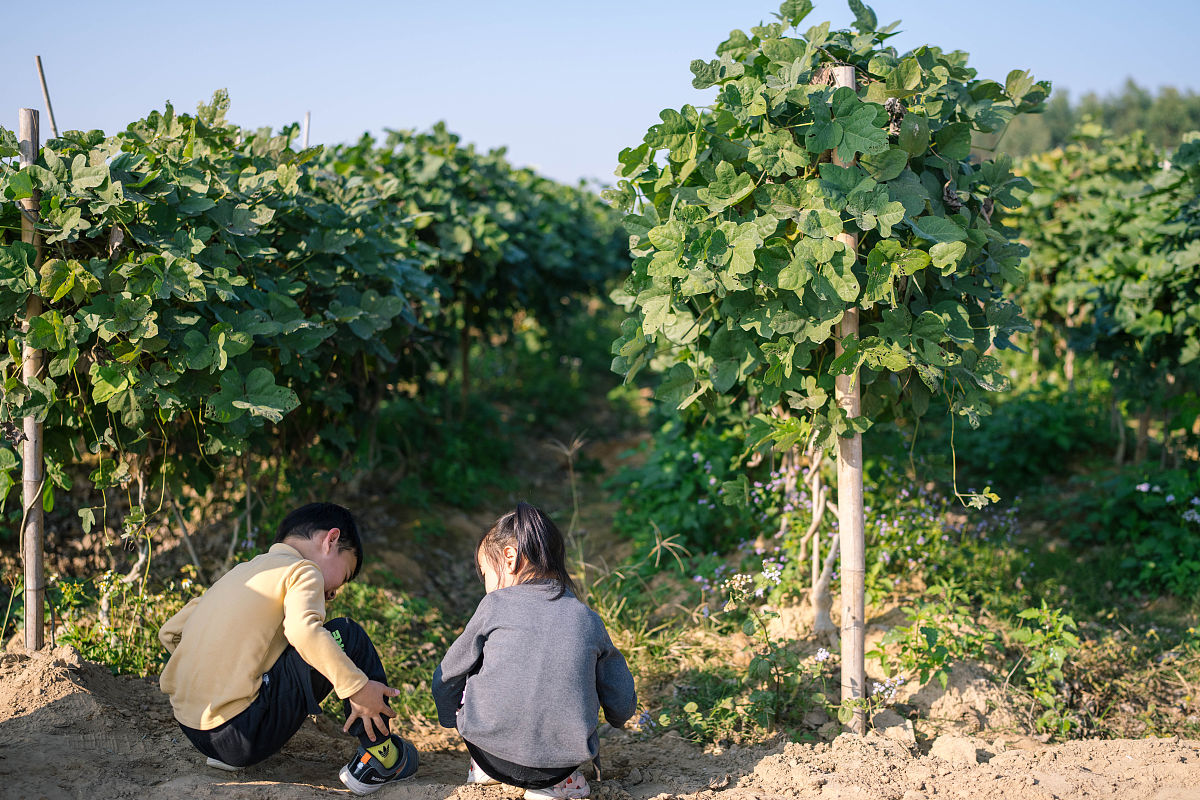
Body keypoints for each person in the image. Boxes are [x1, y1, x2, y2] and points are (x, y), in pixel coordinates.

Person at [157, 502, 418, 796]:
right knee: (346, 634)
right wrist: (355, 687)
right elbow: (302, 631)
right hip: (242, 733)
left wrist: (216, 681)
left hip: (194, 729)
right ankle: (383, 756)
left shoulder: (242, 572)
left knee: (288, 647)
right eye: (343, 576)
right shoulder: (303, 571)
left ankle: (226, 751)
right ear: (331, 540)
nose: (332, 593)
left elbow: (170, 631)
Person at [431, 502, 636, 800]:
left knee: (476, 662)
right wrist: (617, 718)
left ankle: (483, 768)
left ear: (510, 558)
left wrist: (451, 719)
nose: (486, 585)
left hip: (490, 754)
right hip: (558, 767)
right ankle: (557, 787)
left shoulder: (494, 606)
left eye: (485, 572)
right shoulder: (587, 619)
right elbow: (621, 698)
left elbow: (447, 676)